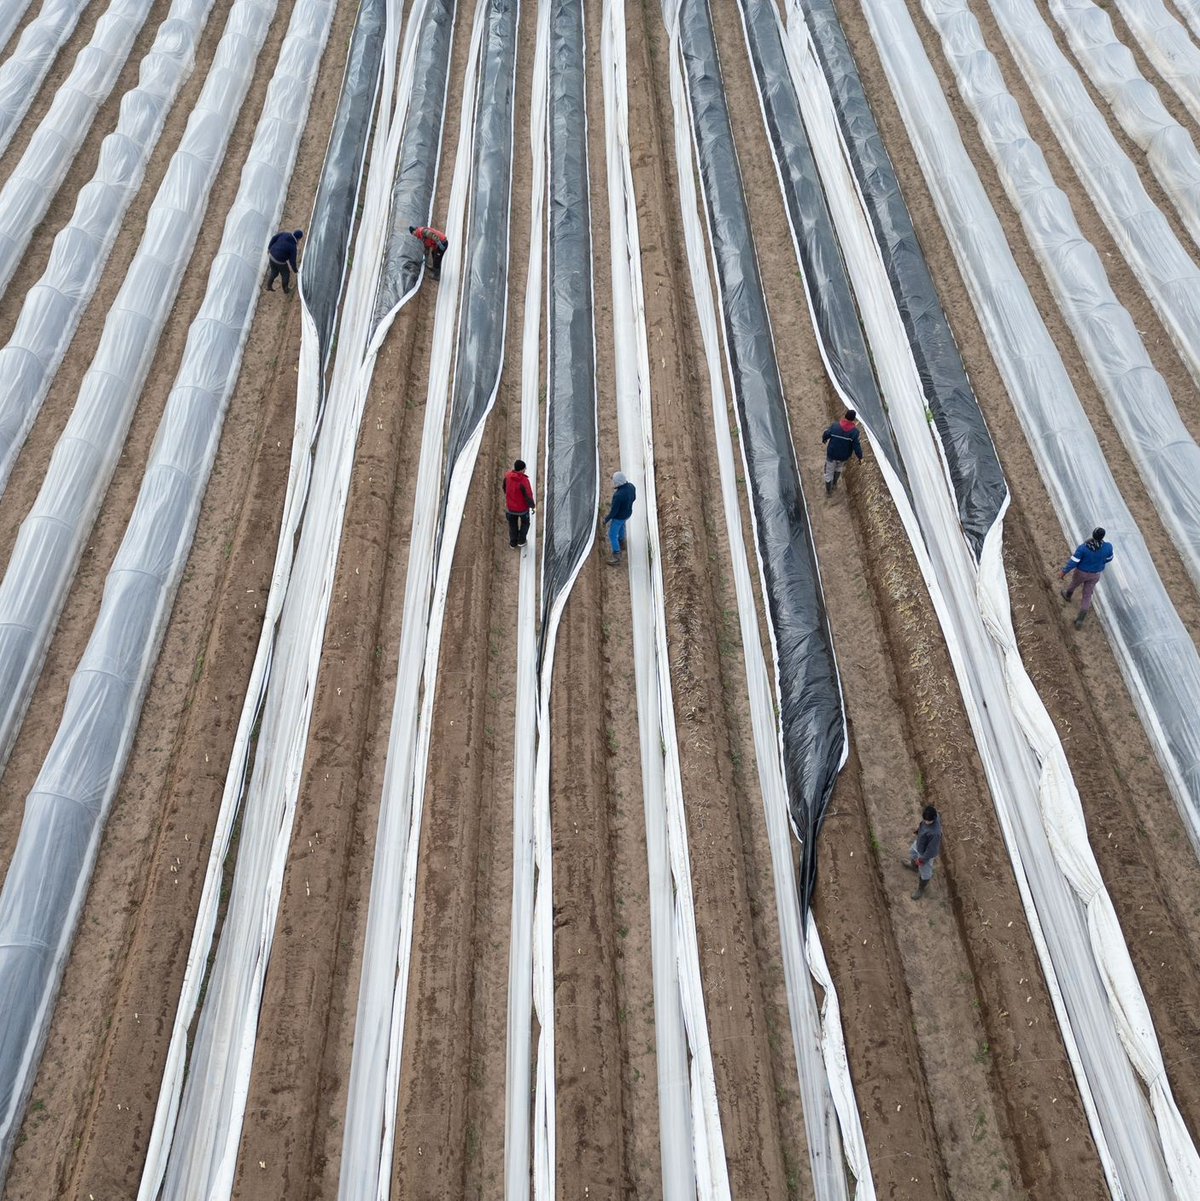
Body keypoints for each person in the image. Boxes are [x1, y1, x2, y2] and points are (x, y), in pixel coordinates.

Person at [1060, 527, 1114, 628]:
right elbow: (1110, 558)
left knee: (1074, 583)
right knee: (1087, 595)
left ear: (1093, 534)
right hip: (1095, 574)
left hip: (1082, 572)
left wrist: (1064, 571)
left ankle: (1067, 595)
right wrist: (1100, 562)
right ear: (1102, 537)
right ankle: (1080, 620)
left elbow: (1074, 561)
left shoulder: (1084, 547)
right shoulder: (1108, 547)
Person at [903, 805, 942, 900]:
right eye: (924, 820)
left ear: (933, 819)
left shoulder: (935, 833)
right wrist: (919, 830)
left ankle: (921, 889)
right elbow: (923, 823)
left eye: (928, 821)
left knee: (926, 873)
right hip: (920, 843)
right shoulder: (931, 815)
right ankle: (914, 867)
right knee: (912, 852)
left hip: (925, 853)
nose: (926, 822)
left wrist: (922, 860)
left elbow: (931, 850)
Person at [821, 409, 863, 494]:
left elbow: (826, 434)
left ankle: (828, 492)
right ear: (853, 419)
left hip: (831, 455)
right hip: (843, 456)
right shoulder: (854, 432)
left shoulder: (835, 426)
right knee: (839, 468)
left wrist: (824, 439)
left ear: (845, 416)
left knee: (828, 473)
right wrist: (860, 457)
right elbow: (856, 446)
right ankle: (835, 484)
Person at [602, 470, 636, 566]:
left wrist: (606, 519)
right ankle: (621, 541)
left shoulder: (618, 496)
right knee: (622, 527)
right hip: (628, 513)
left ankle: (617, 554)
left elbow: (614, 511)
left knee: (612, 534)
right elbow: (634, 498)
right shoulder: (631, 487)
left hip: (618, 517)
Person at [503, 458, 535, 548]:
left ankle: (513, 543)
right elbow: (528, 495)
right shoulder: (524, 481)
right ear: (521, 470)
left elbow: (504, 488)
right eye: (524, 468)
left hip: (510, 508)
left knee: (512, 525)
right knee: (525, 523)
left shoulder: (507, 476)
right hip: (522, 509)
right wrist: (532, 506)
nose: (525, 470)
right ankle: (521, 541)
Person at [265, 228, 303, 293]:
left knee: (274, 272)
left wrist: (269, 248)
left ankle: (269, 286)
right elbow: (292, 261)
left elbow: (274, 238)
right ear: (298, 238)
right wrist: (295, 270)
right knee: (286, 274)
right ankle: (286, 289)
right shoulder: (293, 246)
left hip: (271, 255)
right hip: (279, 261)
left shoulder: (285, 234)